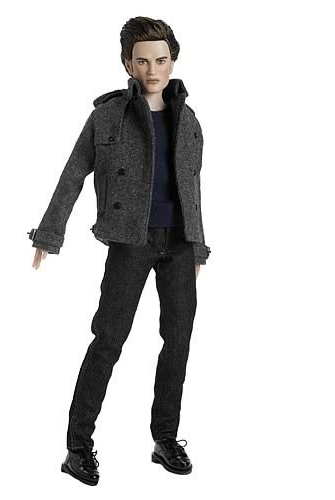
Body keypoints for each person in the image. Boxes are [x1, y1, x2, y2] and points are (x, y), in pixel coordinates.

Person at [28, 17, 211, 486]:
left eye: (161, 60)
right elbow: (73, 173)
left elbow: (192, 188)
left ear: (173, 61)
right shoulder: (107, 116)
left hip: (179, 244)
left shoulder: (189, 120)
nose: (153, 70)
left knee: (179, 341)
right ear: (127, 63)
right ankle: (77, 447)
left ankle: (165, 439)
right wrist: (49, 233)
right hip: (130, 241)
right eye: (143, 61)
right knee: (108, 340)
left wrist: (198, 247)